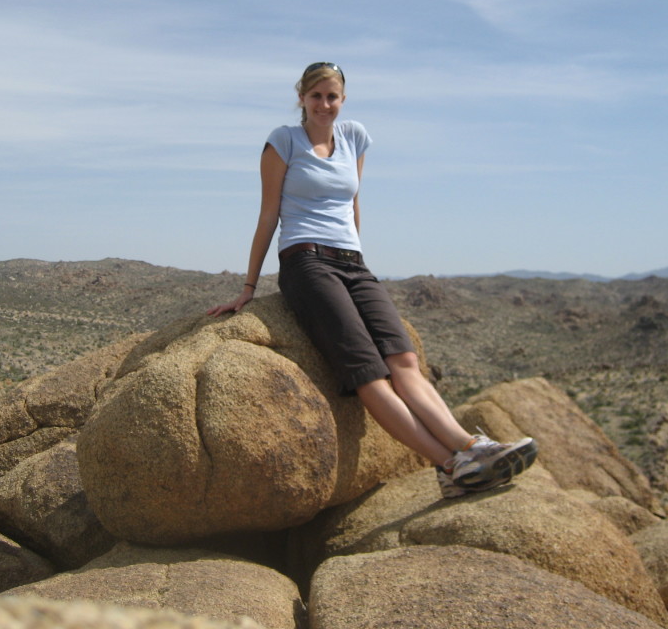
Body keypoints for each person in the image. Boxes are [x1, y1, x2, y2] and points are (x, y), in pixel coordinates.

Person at [207, 62, 537, 497]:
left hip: (352, 263)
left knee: (404, 362)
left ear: (343, 100)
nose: (325, 105)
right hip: (305, 261)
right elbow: (268, 215)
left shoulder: (355, 137)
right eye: (316, 96)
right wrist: (249, 288)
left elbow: (353, 203)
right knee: (368, 372)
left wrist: (358, 262)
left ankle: (473, 447)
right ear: (302, 97)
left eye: (333, 97)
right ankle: (453, 462)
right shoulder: (283, 141)